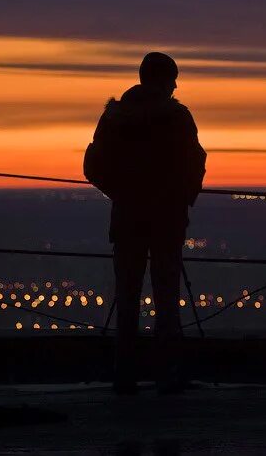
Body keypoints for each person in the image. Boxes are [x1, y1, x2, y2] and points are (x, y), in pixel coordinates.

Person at [84, 52, 206, 394]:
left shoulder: (115, 118)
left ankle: (125, 375)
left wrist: (122, 194)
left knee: (127, 296)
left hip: (127, 219)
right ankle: (168, 374)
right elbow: (195, 163)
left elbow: (93, 165)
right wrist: (180, 198)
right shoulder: (178, 118)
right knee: (167, 297)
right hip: (167, 220)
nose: (177, 85)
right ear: (163, 81)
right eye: (173, 78)